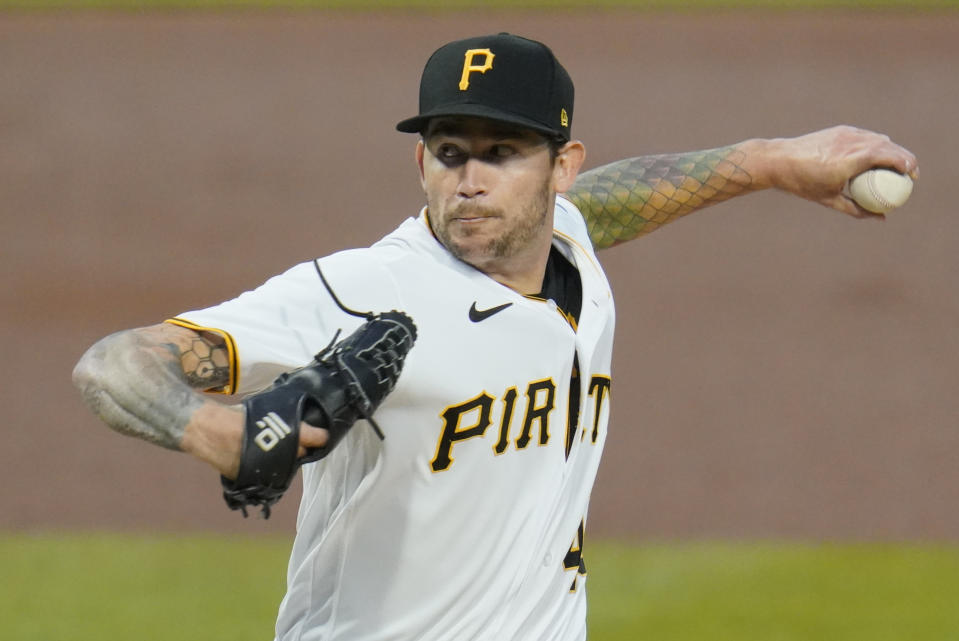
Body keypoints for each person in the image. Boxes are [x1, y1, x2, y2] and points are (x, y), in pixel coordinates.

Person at [73, 33, 917, 641]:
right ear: (420, 165)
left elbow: (611, 204)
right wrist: (214, 429)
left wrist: (771, 161)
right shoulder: (372, 288)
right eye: (449, 153)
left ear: (562, 167)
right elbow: (113, 363)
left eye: (502, 152)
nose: (469, 181)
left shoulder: (570, 246)